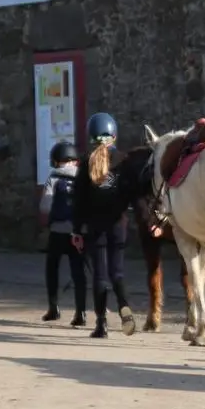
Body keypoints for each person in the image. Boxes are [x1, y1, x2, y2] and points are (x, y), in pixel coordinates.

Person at [70, 112, 138, 339]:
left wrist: (76, 231)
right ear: (114, 135)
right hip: (118, 225)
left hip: (95, 228)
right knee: (117, 273)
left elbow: (78, 201)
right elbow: (133, 195)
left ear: (91, 135)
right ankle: (124, 306)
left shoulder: (86, 163)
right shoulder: (123, 161)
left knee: (99, 276)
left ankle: (101, 324)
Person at [38, 140, 87, 327]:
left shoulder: (54, 178)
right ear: (75, 160)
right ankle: (81, 312)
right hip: (78, 233)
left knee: (52, 269)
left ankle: (53, 308)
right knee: (78, 272)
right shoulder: (83, 178)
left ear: (57, 160)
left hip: (57, 232)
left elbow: (45, 206)